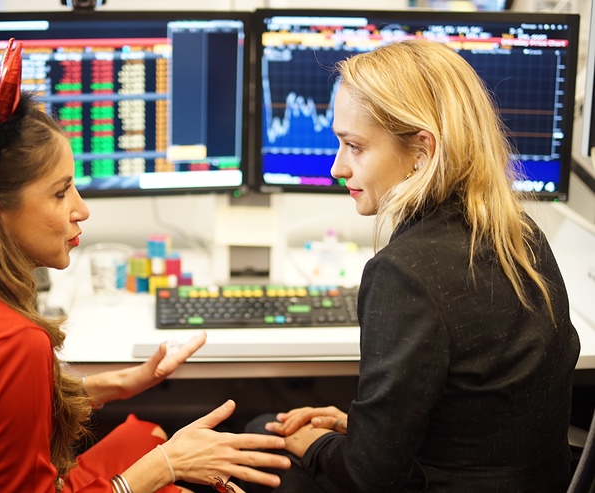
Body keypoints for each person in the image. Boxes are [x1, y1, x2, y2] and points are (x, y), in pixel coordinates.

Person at [0, 39, 290, 492]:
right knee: (166, 465)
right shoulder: (13, 343)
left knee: (147, 432)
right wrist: (167, 464)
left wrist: (124, 382)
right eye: (61, 192)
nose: (81, 210)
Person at [243, 39, 581, 493]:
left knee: (263, 432)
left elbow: (369, 476)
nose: (337, 167)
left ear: (422, 150)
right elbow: (483, 413)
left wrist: (315, 443)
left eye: (355, 146)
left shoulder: (405, 272)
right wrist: (358, 428)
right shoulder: (521, 235)